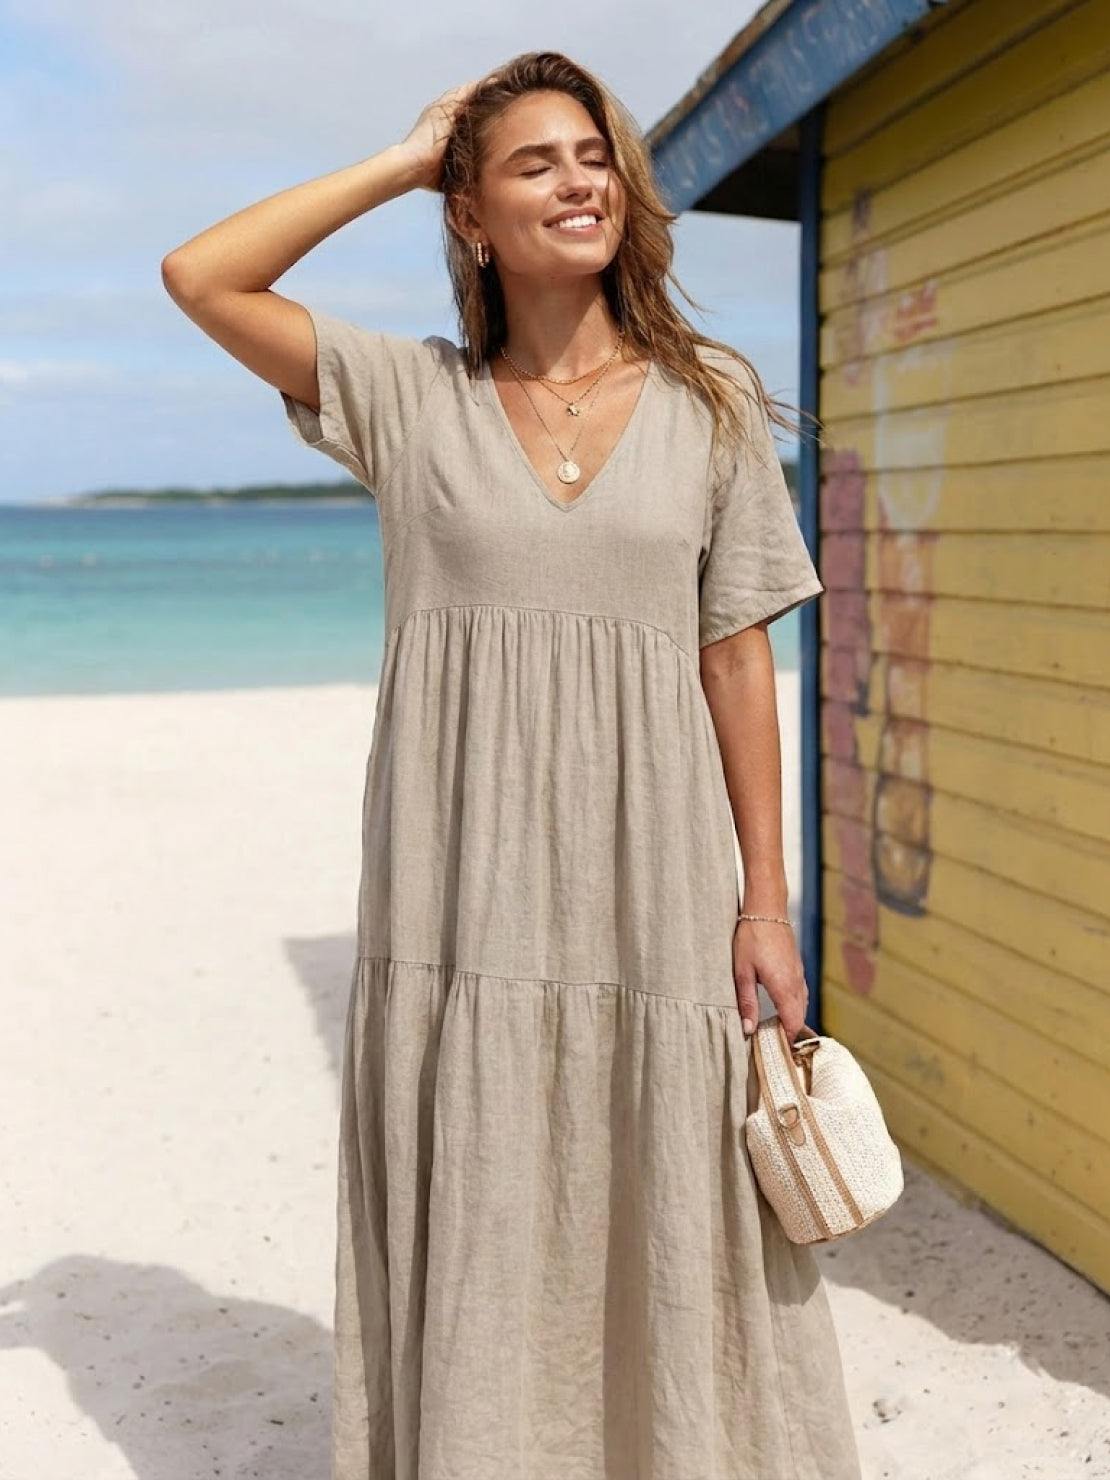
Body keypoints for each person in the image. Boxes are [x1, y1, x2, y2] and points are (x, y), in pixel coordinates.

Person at [162, 49, 861, 1480]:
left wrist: (764, 899)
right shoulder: (409, 398)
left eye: (594, 156)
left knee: (668, 1178)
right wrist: (401, 158)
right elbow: (202, 276)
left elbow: (736, 658)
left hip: (653, 876)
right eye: (535, 163)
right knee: (481, 1171)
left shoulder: (711, 398)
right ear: (470, 214)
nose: (579, 180)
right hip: (458, 882)